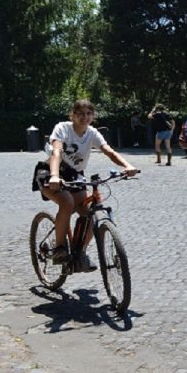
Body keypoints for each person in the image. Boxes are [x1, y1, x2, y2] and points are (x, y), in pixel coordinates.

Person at [38, 99, 139, 271]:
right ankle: (59, 249)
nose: (84, 117)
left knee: (89, 213)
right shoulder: (63, 128)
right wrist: (54, 175)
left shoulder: (92, 133)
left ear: (93, 116)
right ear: (73, 115)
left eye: (88, 114)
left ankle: (81, 252)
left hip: (75, 176)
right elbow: (57, 152)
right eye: (80, 114)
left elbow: (108, 151)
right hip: (51, 172)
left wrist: (127, 166)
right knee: (67, 202)